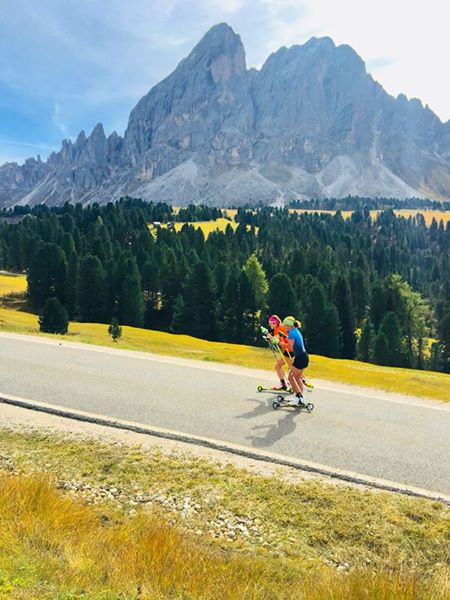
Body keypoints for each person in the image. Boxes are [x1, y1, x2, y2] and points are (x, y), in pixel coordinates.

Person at [282, 315, 309, 406]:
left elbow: (289, 347)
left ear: (289, 326)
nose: (284, 327)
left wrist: (277, 342)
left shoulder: (292, 333)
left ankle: (298, 396)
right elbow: (290, 342)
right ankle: (300, 396)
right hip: (303, 357)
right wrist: (284, 338)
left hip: (300, 358)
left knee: (290, 377)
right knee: (297, 377)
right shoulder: (294, 331)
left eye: (285, 326)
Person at [264, 315, 292, 390]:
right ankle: (284, 384)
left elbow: (275, 340)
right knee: (278, 366)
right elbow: (276, 340)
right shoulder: (279, 328)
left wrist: (267, 335)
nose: (269, 325)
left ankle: (297, 383)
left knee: (291, 369)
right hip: (286, 351)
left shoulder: (279, 329)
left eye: (270, 323)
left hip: (289, 351)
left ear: (275, 323)